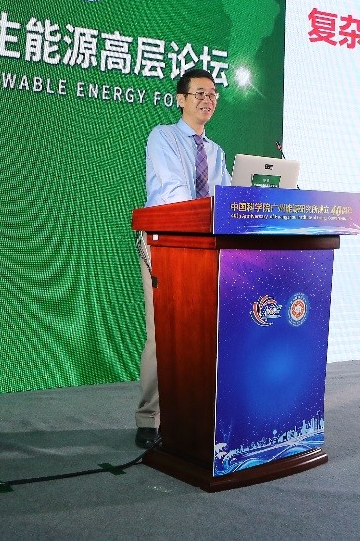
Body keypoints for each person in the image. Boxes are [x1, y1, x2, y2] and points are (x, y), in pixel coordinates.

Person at [135, 68, 231, 449]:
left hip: (205, 249)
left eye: (213, 95)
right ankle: (150, 418)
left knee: (203, 333)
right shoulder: (163, 137)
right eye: (200, 93)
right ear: (181, 99)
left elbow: (225, 203)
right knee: (163, 332)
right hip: (165, 243)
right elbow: (175, 193)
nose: (208, 100)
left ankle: (195, 417)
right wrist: (211, 212)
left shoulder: (217, 152)